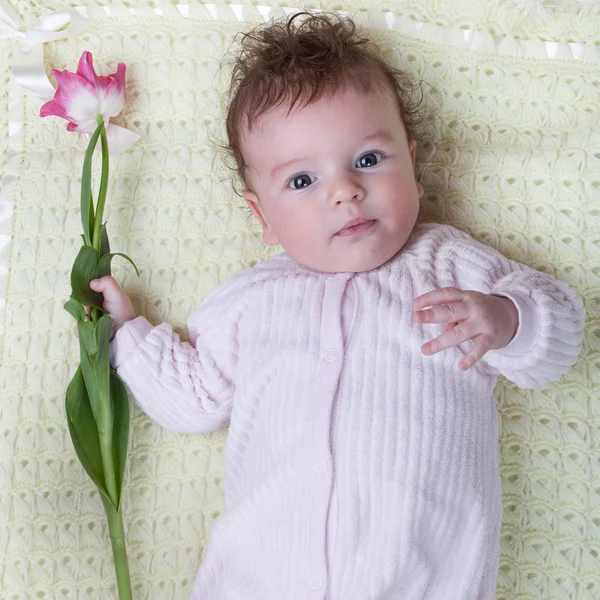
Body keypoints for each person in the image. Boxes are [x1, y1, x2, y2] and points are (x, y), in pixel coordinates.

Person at [84, 12, 585, 600]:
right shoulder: (250, 301)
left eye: (369, 160)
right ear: (261, 216)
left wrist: (508, 319)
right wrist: (129, 337)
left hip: (421, 575)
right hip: (259, 579)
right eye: (301, 181)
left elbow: (562, 333)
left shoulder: (449, 264)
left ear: (415, 168)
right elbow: (193, 400)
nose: (344, 190)